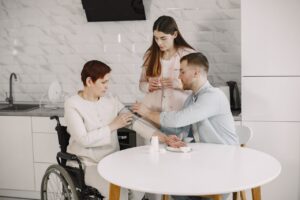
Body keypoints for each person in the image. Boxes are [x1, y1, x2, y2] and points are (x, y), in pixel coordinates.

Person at [64, 60, 183, 200]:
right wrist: (113, 125)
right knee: (121, 194)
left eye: (108, 82)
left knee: (139, 186)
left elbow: (135, 122)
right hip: (87, 165)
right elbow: (84, 140)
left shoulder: (111, 101)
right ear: (89, 81)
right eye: (103, 82)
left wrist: (164, 138)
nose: (107, 87)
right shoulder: (73, 104)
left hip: (112, 161)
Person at [133, 52, 239, 200]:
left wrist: (147, 112)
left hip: (223, 166)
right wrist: (166, 136)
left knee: (176, 184)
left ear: (195, 73)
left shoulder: (213, 96)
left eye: (182, 71)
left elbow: (178, 119)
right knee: (173, 184)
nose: (179, 77)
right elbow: (179, 127)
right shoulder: (192, 98)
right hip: (207, 160)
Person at [139, 15, 195, 133]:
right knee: (153, 149)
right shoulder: (150, 55)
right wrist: (148, 86)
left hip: (178, 116)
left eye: (163, 38)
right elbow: (141, 84)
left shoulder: (188, 55)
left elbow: (198, 86)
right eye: (156, 38)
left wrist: (178, 84)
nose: (159, 42)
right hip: (152, 116)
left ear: (174, 35)